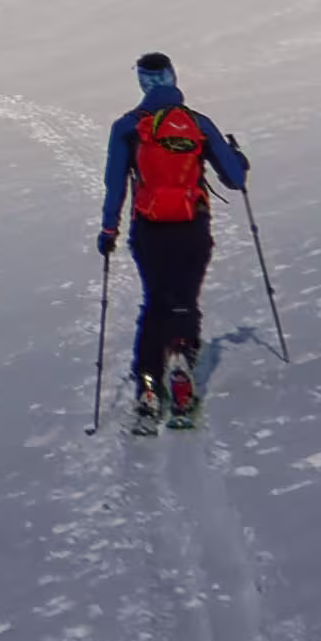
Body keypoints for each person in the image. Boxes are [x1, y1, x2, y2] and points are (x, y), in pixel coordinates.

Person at [95, 51, 251, 427]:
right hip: (192, 225)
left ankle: (148, 384)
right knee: (185, 298)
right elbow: (234, 178)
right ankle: (182, 363)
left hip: (149, 229)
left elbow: (115, 184)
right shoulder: (196, 123)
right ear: (172, 78)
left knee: (155, 302)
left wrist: (108, 229)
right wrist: (238, 158)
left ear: (142, 84)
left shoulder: (128, 127)